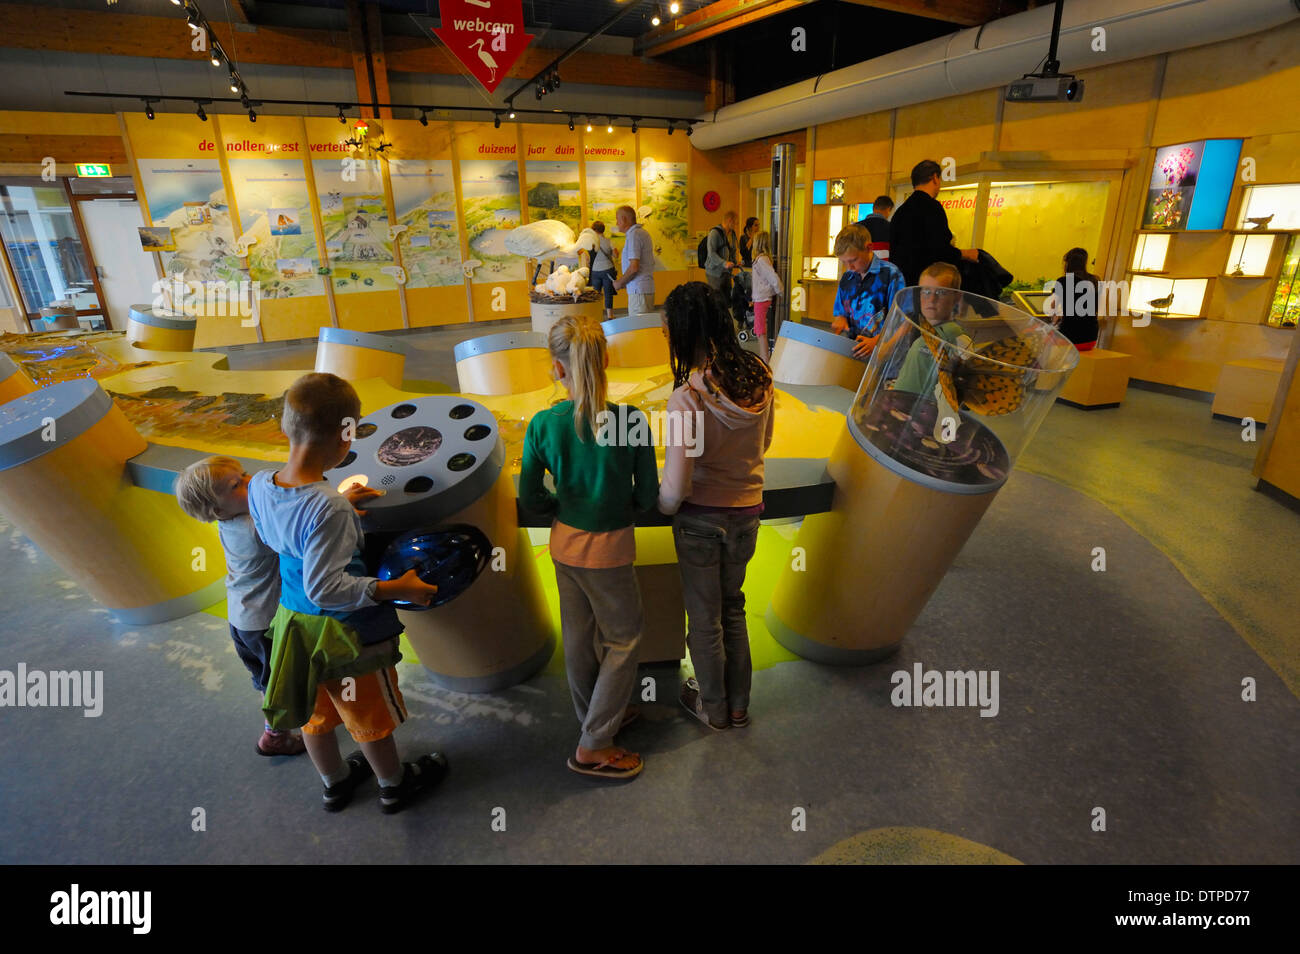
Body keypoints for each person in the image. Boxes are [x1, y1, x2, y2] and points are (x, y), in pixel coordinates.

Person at [248, 372, 447, 814]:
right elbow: (329, 587)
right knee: (367, 716)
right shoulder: (329, 508)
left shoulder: (260, 485)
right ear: (346, 438)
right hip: (346, 636)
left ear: (285, 426)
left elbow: (282, 534)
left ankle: (334, 783)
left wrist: (337, 506)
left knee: (316, 714)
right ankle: (394, 785)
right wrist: (397, 587)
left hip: (295, 625)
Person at [520, 316, 659, 781]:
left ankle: (596, 718)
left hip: (565, 547)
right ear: (606, 360)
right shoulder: (630, 421)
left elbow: (531, 499)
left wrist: (562, 502)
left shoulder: (542, 424)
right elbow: (646, 496)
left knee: (579, 640)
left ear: (557, 369)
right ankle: (595, 744)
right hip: (611, 552)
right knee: (623, 640)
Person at [658, 282, 774, 731]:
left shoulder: (686, 399)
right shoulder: (760, 377)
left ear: (684, 334)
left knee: (704, 620)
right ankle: (739, 706)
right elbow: (764, 442)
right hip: (747, 514)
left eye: (668, 331)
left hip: (700, 524)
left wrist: (660, 503)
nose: (666, 338)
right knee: (734, 607)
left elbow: (676, 488)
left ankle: (712, 707)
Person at [173, 456, 304, 758]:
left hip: (241, 618)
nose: (250, 481)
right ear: (218, 508)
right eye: (237, 484)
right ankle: (275, 736)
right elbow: (298, 530)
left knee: (266, 678)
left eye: (244, 474)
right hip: (265, 622)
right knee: (281, 683)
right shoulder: (254, 527)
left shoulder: (228, 521)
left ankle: (277, 726)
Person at [889, 159, 979, 287]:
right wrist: (965, 254)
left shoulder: (900, 212)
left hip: (902, 286)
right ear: (935, 178)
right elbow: (940, 251)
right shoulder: (932, 208)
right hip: (925, 287)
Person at [890, 262, 969, 394]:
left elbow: (966, 387)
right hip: (901, 404)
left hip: (928, 411)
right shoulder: (918, 329)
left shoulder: (957, 338)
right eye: (926, 291)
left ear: (957, 297)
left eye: (941, 292)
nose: (932, 299)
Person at [830, 224, 905, 360]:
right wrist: (841, 319)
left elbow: (902, 322)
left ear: (869, 248)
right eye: (844, 262)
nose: (850, 267)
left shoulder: (891, 275)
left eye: (853, 260)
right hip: (854, 351)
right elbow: (841, 312)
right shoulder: (848, 277)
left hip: (881, 354)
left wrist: (877, 341)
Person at [1046, 247, 1101, 350]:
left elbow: (1053, 307)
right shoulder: (1095, 280)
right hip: (1091, 338)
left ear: (1067, 263)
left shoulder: (1063, 281)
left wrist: (1053, 324)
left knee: (1041, 340)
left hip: (1071, 337)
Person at [612, 205, 655, 318]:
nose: (616, 223)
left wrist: (619, 283)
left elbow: (634, 267)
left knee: (639, 329)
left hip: (639, 292)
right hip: (642, 290)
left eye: (617, 219)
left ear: (624, 219)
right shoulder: (640, 233)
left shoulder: (634, 235)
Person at [749, 230, 782, 362]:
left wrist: (780, 290)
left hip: (762, 299)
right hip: (760, 298)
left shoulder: (762, 260)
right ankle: (764, 358)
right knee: (759, 329)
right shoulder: (762, 259)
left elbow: (772, 276)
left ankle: (764, 359)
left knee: (760, 330)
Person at [587, 221, 618, 321]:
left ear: (594, 230)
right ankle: (610, 316)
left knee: (596, 294)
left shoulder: (591, 243)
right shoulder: (609, 241)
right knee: (608, 293)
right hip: (608, 270)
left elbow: (588, 260)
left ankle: (597, 315)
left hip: (595, 271)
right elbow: (616, 255)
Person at [704, 210, 740, 295]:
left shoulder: (732, 234)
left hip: (726, 272)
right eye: (735, 223)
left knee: (727, 297)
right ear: (729, 221)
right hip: (714, 272)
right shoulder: (714, 233)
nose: (736, 226)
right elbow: (711, 253)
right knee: (716, 298)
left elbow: (733, 250)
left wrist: (735, 262)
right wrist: (724, 263)